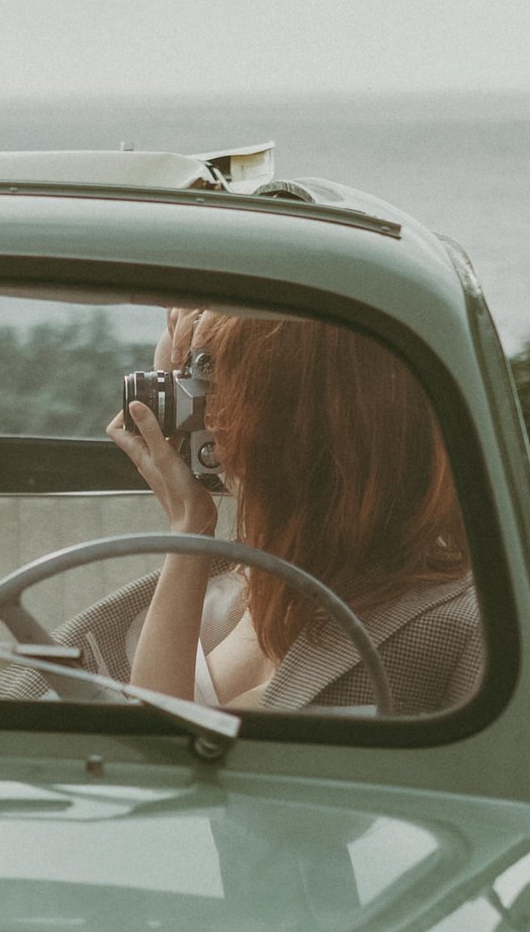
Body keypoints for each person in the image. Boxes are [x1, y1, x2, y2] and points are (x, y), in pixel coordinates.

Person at [31, 306, 479, 714]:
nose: (198, 417)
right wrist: (190, 529)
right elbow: (152, 746)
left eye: (210, 386)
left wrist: (189, 535)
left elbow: (161, 743)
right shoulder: (242, 580)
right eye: (189, 380)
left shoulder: (450, 625)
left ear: (292, 423)